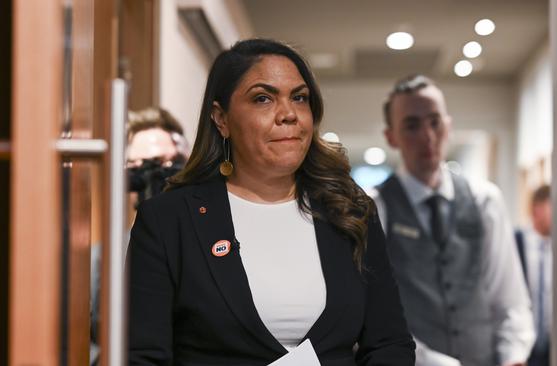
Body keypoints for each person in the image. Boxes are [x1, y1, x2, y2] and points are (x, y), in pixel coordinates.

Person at [127, 39, 415, 365]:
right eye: (263, 99)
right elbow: (144, 356)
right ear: (221, 118)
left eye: (299, 98)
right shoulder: (169, 220)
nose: (289, 114)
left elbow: (390, 343)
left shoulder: (350, 211)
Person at [371, 74, 534, 366]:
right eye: (412, 125)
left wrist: (513, 356)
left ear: (448, 125)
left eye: (435, 121)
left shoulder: (485, 200)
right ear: (391, 137)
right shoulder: (376, 208)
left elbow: (510, 300)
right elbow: (376, 316)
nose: (427, 136)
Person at [90, 107, 189, 365]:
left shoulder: (211, 242)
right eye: (149, 166)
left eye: (172, 163)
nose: (162, 175)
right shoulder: (103, 259)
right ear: (128, 175)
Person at [514, 184, 552, 366]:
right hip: (523, 349)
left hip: (552, 350)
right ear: (538, 209)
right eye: (552, 205)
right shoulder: (516, 242)